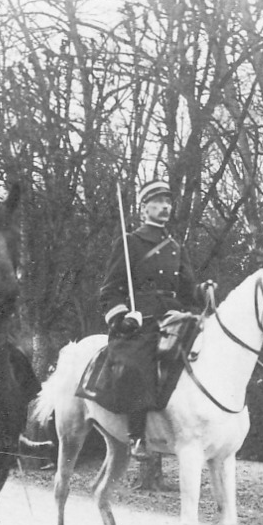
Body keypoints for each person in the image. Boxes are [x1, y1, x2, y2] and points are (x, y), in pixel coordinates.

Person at [93, 178, 205, 458]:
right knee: (136, 363)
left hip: (173, 316)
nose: (165, 207)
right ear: (144, 208)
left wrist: (198, 300)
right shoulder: (130, 242)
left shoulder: (177, 248)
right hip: (140, 320)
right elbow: (109, 290)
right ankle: (137, 435)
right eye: (158, 202)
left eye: (168, 202)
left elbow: (189, 293)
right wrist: (120, 318)